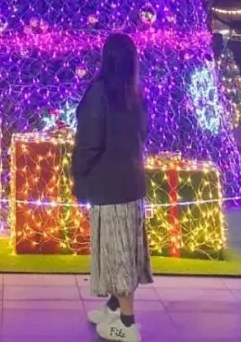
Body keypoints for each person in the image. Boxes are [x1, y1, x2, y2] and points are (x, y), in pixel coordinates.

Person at [72, 33, 152, 342]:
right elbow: (144, 132)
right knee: (124, 250)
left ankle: (127, 324)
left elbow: (89, 142)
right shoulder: (135, 93)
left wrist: (79, 175)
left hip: (109, 186)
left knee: (118, 255)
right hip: (132, 183)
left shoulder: (100, 93)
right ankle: (114, 307)